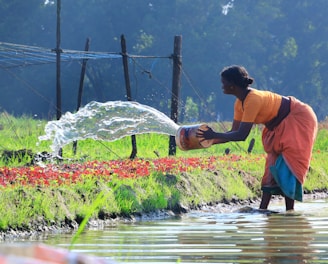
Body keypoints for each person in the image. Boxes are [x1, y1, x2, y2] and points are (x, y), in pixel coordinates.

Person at [196, 65, 318, 211]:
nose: (222, 86)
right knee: (271, 166)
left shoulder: (253, 99)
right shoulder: (239, 103)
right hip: (277, 126)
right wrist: (208, 140)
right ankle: (262, 210)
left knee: (287, 165)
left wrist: (214, 135)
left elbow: (241, 135)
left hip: (297, 118)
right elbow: (233, 132)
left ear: (233, 85)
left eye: (224, 83)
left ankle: (290, 212)